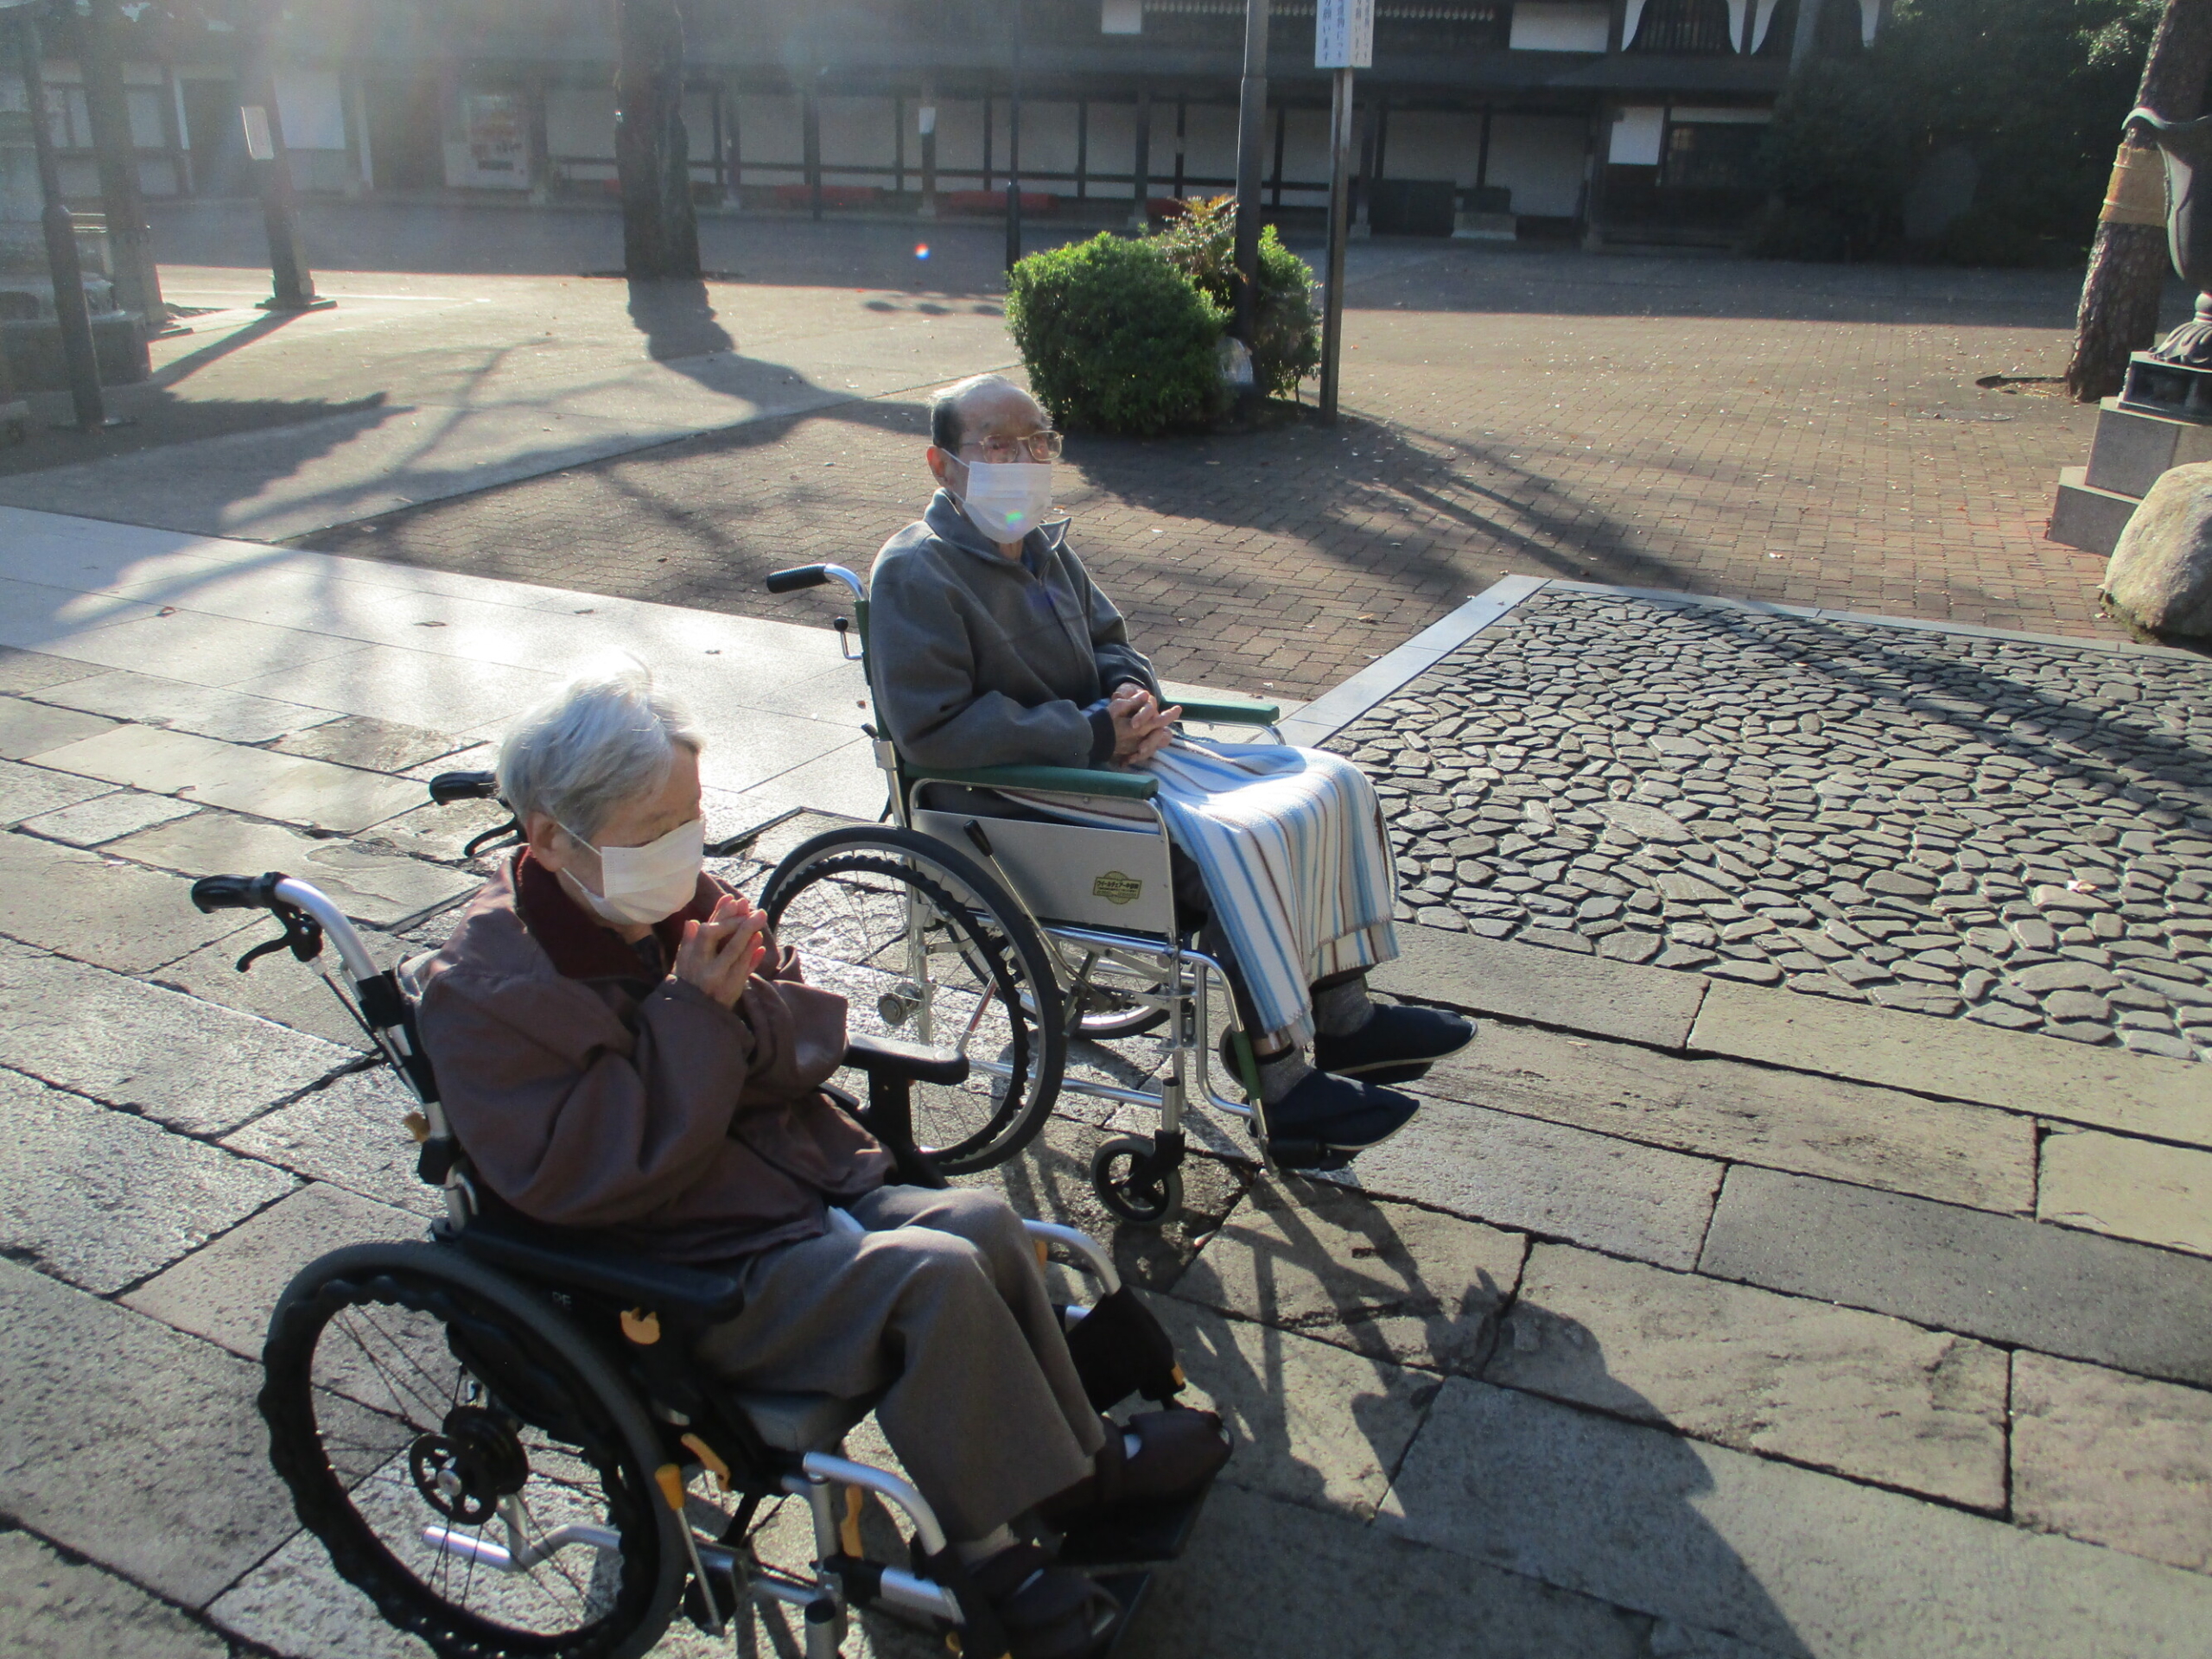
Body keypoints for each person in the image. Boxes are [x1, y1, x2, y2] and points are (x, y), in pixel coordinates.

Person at [412, 659, 1226, 1659]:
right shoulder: (490, 989)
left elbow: (800, 1041)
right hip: (682, 1270)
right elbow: (587, 1173)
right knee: (927, 1281)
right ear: (549, 839)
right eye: (654, 830)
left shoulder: (669, 901)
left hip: (783, 1189)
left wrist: (738, 1008)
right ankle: (984, 1546)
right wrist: (693, 1019)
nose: (685, 849)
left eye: (690, 819)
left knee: (979, 1224)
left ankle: (1074, 1468)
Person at [868, 373, 1474, 1164]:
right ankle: (1284, 1085)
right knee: (1226, 847)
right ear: (942, 464)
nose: (1023, 462)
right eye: (997, 446)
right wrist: (1091, 733)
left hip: (1108, 758)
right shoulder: (918, 572)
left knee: (1328, 785)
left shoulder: (1047, 547)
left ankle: (1346, 1017)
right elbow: (934, 730)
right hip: (1014, 794)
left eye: (1037, 443)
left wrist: (1127, 691)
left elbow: (1114, 641)